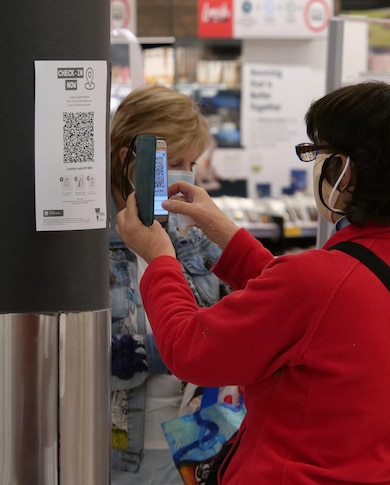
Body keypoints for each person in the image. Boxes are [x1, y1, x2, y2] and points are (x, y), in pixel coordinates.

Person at [114, 81, 390, 484]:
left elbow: (190, 348)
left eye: (318, 153)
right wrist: (224, 232)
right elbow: (310, 313)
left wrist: (159, 258)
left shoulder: (317, 281)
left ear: (343, 170)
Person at [108, 84, 232, 483]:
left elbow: (241, 317)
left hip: (198, 443)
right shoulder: (82, 244)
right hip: (117, 451)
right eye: (173, 161)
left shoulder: (196, 237)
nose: (185, 174)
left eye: (191, 163)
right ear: (130, 160)